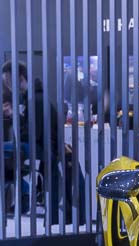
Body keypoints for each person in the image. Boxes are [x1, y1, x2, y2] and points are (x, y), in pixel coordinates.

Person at [2, 61, 85, 225]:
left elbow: (34, 135)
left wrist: (15, 117)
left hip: (42, 150)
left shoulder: (36, 100)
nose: (6, 85)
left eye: (8, 81)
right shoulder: (31, 98)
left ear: (19, 78)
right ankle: (22, 196)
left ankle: (23, 197)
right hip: (42, 149)